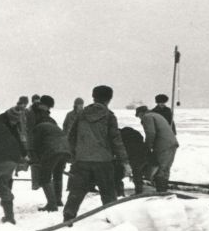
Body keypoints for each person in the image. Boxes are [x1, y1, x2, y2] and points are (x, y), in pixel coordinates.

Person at [63, 86, 131, 223]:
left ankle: (68, 218)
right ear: (109, 99)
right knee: (108, 193)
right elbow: (116, 140)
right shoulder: (109, 116)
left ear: (93, 97)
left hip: (82, 160)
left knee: (77, 191)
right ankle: (112, 220)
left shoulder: (81, 114)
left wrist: (75, 154)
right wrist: (125, 162)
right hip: (103, 161)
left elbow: (71, 136)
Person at [30, 109, 71, 211]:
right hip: (66, 150)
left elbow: (36, 146)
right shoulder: (53, 126)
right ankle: (58, 200)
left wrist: (35, 161)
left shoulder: (38, 128)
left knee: (45, 178)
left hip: (53, 151)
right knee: (58, 175)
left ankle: (52, 205)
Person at [135, 105, 179, 192]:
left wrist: (147, 147)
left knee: (161, 170)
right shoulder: (156, 115)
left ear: (141, 113)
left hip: (163, 146)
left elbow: (151, 133)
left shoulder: (147, 117)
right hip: (171, 144)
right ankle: (163, 190)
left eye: (139, 116)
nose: (140, 118)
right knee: (165, 169)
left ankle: (161, 192)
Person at [115, 127, 148, 195]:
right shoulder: (131, 131)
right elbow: (141, 138)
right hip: (142, 153)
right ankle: (139, 190)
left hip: (131, 154)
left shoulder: (119, 136)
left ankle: (119, 193)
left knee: (118, 173)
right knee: (137, 172)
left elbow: (119, 148)